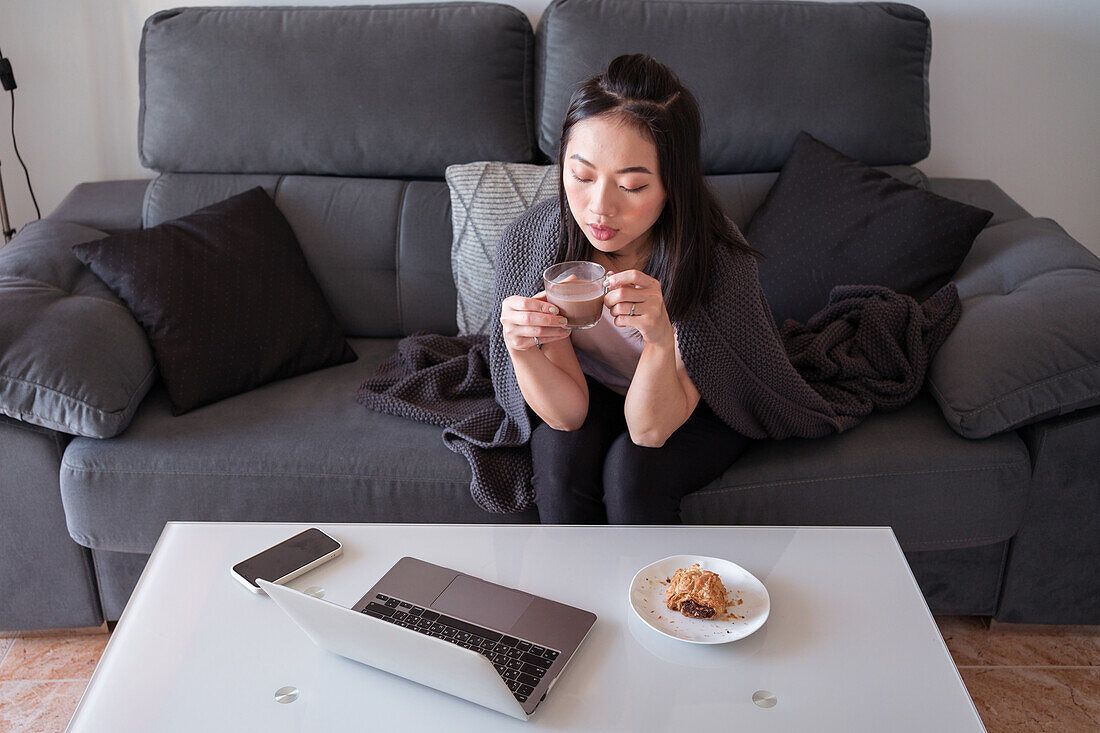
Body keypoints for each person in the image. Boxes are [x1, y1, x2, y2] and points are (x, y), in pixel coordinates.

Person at [497, 54, 760, 524]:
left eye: (633, 186)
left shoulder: (715, 258)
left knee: (632, 476)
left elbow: (650, 430)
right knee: (559, 473)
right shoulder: (532, 243)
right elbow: (568, 415)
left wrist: (661, 340)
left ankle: (648, 599)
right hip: (593, 388)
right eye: (581, 176)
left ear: (672, 187)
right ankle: (571, 598)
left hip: (692, 405)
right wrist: (521, 348)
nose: (600, 208)